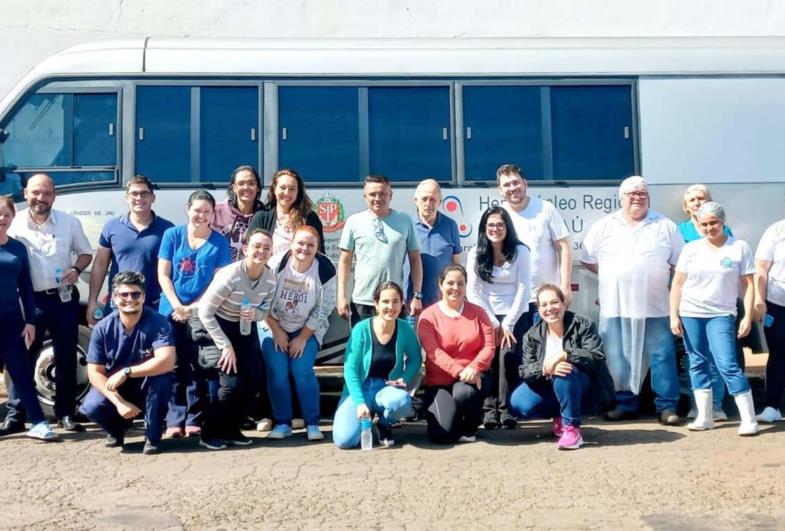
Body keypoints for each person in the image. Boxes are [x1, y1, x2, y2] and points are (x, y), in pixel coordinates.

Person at [581, 176, 683, 425]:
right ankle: (625, 404)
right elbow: (588, 259)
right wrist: (615, 276)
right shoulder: (604, 226)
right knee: (617, 357)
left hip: (656, 306)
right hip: (615, 306)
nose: (637, 197)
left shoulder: (665, 225)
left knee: (662, 355)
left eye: (642, 193)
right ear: (621, 198)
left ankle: (667, 407)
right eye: (632, 193)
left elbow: (679, 263)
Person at [6, 173, 93, 433]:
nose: (40, 198)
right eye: (35, 192)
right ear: (25, 194)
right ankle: (16, 413)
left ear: (54, 196)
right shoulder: (14, 224)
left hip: (63, 299)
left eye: (46, 193)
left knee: (66, 356)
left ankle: (65, 412)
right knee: (22, 357)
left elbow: (86, 253)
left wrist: (77, 269)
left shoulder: (69, 222)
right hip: (28, 301)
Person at [670, 202, 759, 436]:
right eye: (704, 224)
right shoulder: (691, 249)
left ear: (723, 222)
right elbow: (677, 285)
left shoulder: (738, 247)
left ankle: (749, 419)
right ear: (698, 225)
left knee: (727, 364)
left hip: (721, 314)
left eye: (714, 223)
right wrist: (674, 315)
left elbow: (748, 285)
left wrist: (747, 316)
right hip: (691, 313)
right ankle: (705, 416)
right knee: (697, 363)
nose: (709, 228)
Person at [158, 190, 232, 438]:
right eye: (197, 210)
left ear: (213, 214)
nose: (201, 215)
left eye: (207, 211)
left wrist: (193, 308)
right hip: (170, 310)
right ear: (188, 210)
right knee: (174, 364)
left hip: (203, 312)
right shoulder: (172, 235)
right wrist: (177, 305)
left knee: (199, 365)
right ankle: (174, 419)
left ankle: (194, 418)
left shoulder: (220, 243)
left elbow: (218, 282)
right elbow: (163, 274)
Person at [196, 228, 277, 450]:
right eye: (256, 246)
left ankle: (232, 429)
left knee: (252, 379)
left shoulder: (271, 279)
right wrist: (225, 346)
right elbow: (204, 311)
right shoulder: (230, 275)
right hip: (217, 326)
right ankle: (209, 433)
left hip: (244, 329)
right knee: (229, 385)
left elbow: (264, 311)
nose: (261, 251)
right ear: (245, 249)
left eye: (266, 248)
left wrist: (256, 314)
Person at [509, 284, 616, 450]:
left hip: (585, 388)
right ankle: (559, 415)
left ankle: (572, 429)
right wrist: (545, 368)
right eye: (544, 305)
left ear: (564, 303)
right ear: (538, 309)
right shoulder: (531, 335)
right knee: (518, 402)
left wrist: (565, 355)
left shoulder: (583, 324)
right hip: (550, 384)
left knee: (564, 370)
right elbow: (525, 370)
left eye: (554, 302)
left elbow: (597, 356)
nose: (550, 308)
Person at [80, 271, 175, 454]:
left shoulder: (159, 322)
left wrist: (127, 372)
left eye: (135, 294)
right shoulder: (103, 328)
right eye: (124, 294)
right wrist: (118, 402)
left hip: (147, 381)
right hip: (117, 386)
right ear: (114, 298)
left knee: (162, 379)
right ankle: (117, 430)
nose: (130, 299)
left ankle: (153, 435)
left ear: (143, 297)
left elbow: (167, 361)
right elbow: (94, 372)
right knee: (92, 405)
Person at [262, 226, 336, 441]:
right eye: (300, 243)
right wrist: (276, 330)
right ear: (292, 244)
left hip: (307, 328)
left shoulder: (324, 269)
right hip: (273, 322)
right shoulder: (276, 264)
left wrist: (303, 337)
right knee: (278, 372)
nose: (304, 248)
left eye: (310, 245)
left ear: (318, 248)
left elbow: (325, 307)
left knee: (302, 370)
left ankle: (312, 423)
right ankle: (283, 423)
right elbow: (262, 299)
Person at [333, 281, 422, 449]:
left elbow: (415, 359)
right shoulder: (361, 329)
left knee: (401, 401)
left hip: (385, 389)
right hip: (360, 389)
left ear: (402, 303)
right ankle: (364, 416)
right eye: (385, 301)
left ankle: (383, 422)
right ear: (376, 304)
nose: (391, 306)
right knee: (345, 441)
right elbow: (350, 369)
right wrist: (359, 403)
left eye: (395, 301)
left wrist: (403, 378)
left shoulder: (404, 329)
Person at [466, 206, 531, 429]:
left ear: (507, 228)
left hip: (515, 315)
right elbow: (472, 292)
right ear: (485, 228)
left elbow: (524, 288)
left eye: (500, 225)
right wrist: (493, 322)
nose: (495, 229)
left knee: (508, 358)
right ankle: (489, 412)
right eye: (491, 225)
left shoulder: (521, 252)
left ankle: (507, 410)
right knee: (488, 361)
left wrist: (508, 324)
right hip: (485, 315)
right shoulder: (475, 252)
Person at [0, 196, 57, 441]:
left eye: (6, 215)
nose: (2, 219)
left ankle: (38, 422)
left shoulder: (17, 248)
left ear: (13, 218)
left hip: (11, 321)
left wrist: (30, 321)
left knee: (21, 372)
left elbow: (26, 287)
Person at [418, 264, 495, 444]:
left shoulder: (478, 312)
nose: (455, 288)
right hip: (440, 382)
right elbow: (433, 352)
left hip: (473, 378)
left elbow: (489, 346)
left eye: (460, 284)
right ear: (440, 284)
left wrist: (473, 368)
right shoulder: (428, 317)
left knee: (465, 393)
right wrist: (461, 371)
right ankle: (452, 417)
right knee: (442, 436)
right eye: (450, 283)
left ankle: (470, 425)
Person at [677, 184, 733, 421]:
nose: (697, 203)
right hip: (690, 305)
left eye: (701, 198)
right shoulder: (678, 231)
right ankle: (698, 407)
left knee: (717, 357)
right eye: (692, 200)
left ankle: (717, 406)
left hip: (718, 305)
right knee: (694, 357)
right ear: (685, 207)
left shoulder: (725, 230)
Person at [337, 175, 423, 326]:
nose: (377, 198)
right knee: (363, 348)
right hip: (362, 302)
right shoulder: (354, 221)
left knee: (394, 348)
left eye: (382, 194)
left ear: (391, 195)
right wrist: (341, 295)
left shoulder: (404, 220)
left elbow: (415, 259)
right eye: (372, 194)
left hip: (394, 302)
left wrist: (417, 295)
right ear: (365, 196)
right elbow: (344, 261)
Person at [87, 175, 174, 325]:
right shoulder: (111, 227)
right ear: (127, 198)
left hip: (154, 305)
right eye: (134, 194)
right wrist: (92, 301)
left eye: (144, 193)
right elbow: (100, 264)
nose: (139, 198)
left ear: (153, 198)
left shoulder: (167, 229)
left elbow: (172, 271)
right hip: (119, 304)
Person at [497, 163, 572, 315]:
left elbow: (563, 246)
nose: (512, 188)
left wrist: (565, 286)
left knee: (547, 339)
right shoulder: (498, 215)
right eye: (506, 185)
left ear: (525, 183)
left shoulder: (545, 208)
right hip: (512, 300)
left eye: (516, 182)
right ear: (500, 191)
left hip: (545, 300)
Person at [407, 179, 462, 308]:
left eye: (433, 199)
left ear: (440, 201)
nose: (428, 204)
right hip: (411, 303)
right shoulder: (407, 225)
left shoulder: (450, 225)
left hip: (442, 303)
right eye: (424, 199)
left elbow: (456, 263)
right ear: (416, 200)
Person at [248, 168, 325, 256]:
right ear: (274, 190)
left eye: (292, 189)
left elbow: (319, 252)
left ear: (298, 192)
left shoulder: (310, 217)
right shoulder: (262, 217)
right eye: (282, 188)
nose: (287, 193)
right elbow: (251, 252)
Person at [755, 206, 785, 423]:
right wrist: (759, 300)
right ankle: (772, 406)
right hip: (776, 304)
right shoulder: (776, 231)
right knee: (778, 354)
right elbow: (761, 269)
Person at [211, 165, 265, 261]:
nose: (246, 187)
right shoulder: (215, 211)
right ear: (234, 188)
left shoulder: (265, 216)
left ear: (257, 187)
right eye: (241, 183)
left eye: (251, 183)